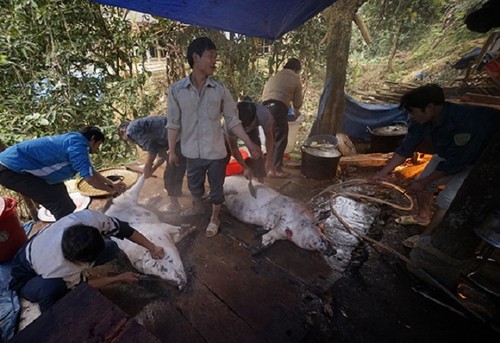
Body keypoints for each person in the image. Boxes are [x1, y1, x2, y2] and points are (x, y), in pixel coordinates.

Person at [372, 84, 500, 248]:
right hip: (450, 155)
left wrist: (423, 183)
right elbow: (405, 149)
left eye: (413, 111)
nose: (411, 116)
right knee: (423, 182)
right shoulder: (421, 121)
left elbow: (457, 162)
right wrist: (381, 174)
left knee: (447, 198)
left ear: (430, 107)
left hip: (480, 160)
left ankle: (427, 237)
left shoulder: (464, 121)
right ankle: (422, 218)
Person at [167, 37, 261, 238]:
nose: (214, 61)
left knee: (216, 188)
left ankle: (214, 218)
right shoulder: (176, 90)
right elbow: (173, 123)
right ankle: (198, 208)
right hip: (191, 151)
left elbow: (233, 121)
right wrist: (171, 150)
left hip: (216, 151)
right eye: (211, 56)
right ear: (196, 57)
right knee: (194, 186)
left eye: (215, 57)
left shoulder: (219, 90)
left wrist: (250, 143)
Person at [9, 209, 165, 312]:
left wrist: (152, 247)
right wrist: (119, 278)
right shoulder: (60, 267)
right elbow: (85, 285)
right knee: (53, 289)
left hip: (41, 248)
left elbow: (125, 230)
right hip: (25, 277)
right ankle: (51, 315)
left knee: (111, 248)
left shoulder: (87, 218)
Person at [0, 126, 126, 220]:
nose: (97, 149)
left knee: (60, 190)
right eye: (98, 145)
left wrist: (111, 184)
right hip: (10, 169)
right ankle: (72, 237)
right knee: (59, 203)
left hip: (11, 166)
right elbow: (90, 179)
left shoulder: (74, 140)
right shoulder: (78, 145)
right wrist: (110, 190)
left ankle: (74, 223)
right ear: (93, 139)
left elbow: (90, 171)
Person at [118, 115, 186, 213]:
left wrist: (147, 166)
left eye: (126, 139)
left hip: (177, 137)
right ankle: (176, 193)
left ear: (122, 131)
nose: (129, 140)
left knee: (170, 173)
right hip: (181, 135)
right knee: (177, 167)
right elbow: (160, 151)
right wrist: (154, 166)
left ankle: (174, 205)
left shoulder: (130, 130)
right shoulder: (140, 125)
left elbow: (151, 148)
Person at [261, 58, 303, 177]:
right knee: (281, 138)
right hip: (278, 108)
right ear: (296, 69)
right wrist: (296, 110)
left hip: (264, 108)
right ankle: (276, 170)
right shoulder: (295, 78)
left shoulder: (275, 76)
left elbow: (265, 95)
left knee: (271, 138)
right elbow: (297, 101)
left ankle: (268, 167)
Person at [225, 97, 275, 182]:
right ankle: (219, 184)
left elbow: (270, 138)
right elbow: (233, 148)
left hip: (252, 128)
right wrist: (245, 167)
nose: (245, 131)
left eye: (248, 128)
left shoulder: (264, 115)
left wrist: (269, 160)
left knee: (257, 152)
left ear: (255, 118)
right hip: (234, 127)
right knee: (223, 153)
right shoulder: (230, 121)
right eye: (243, 129)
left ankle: (261, 182)